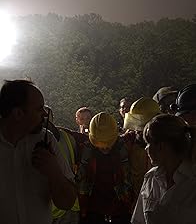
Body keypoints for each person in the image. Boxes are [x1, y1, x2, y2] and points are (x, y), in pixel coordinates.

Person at [0, 79, 76, 224]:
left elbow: (67, 203)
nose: (45, 114)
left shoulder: (47, 140)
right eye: (39, 109)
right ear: (18, 113)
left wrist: (55, 173)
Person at [131, 114, 196, 224]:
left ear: (161, 146)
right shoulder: (150, 178)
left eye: (148, 143)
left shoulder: (193, 180)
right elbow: (138, 221)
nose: (146, 149)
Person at [76, 112, 133, 224]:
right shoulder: (86, 150)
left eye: (108, 143)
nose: (105, 147)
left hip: (120, 207)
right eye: (101, 143)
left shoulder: (124, 147)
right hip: (93, 209)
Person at [122, 97, 160, 204]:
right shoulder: (129, 142)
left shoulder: (165, 146)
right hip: (134, 200)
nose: (138, 130)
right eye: (135, 123)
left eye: (142, 125)